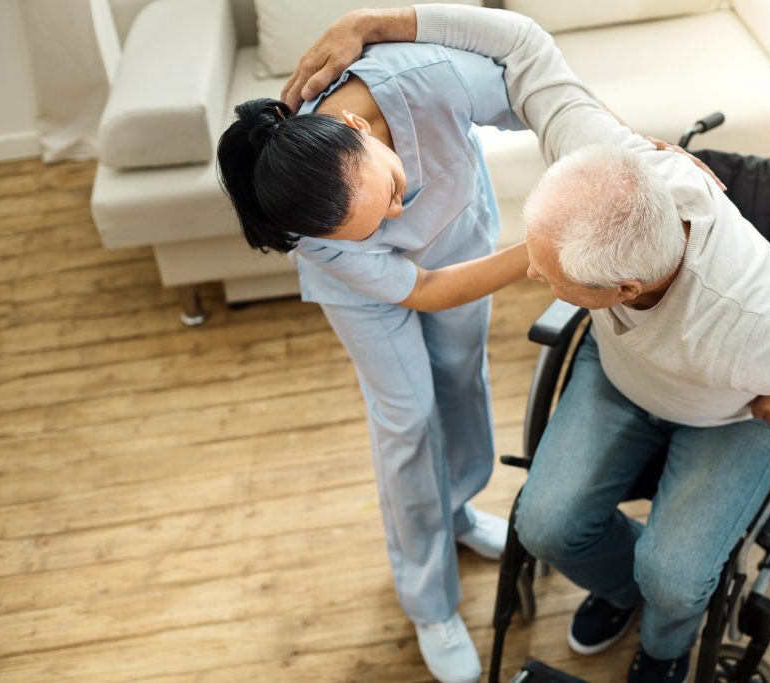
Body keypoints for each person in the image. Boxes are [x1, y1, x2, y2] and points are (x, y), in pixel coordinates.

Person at [283, 5, 770, 682]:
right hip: (623, 371)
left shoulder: (757, 333)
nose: (534, 274)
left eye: (553, 275)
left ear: (623, 288)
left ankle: (664, 647)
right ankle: (624, 587)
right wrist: (373, 23)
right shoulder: (598, 155)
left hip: (729, 412)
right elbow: (523, 45)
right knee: (543, 526)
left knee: (674, 577)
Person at [220, 17, 718, 683]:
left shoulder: (426, 79)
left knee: (461, 378)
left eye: (391, 192)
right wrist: (543, 248)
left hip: (462, 243)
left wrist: (630, 154)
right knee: (408, 418)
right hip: (374, 297)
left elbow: (541, 97)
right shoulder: (310, 224)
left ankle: (454, 510)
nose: (396, 215)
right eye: (371, 225)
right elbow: (423, 289)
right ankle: (428, 602)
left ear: (359, 128)